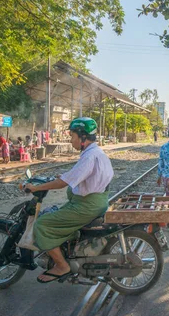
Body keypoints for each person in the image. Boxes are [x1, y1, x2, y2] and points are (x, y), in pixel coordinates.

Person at [24, 117, 113, 284]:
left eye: (72, 136)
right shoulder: (96, 152)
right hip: (96, 201)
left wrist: (36, 188)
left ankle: (61, 265)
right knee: (57, 215)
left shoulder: (89, 157)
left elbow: (62, 184)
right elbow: (78, 176)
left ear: (83, 137)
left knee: (42, 224)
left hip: (86, 206)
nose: (71, 140)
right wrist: (65, 177)